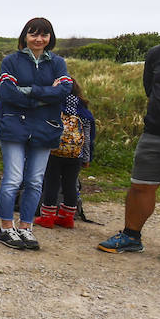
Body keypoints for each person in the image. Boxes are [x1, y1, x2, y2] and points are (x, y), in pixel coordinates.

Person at [98, 0, 160, 266]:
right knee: (140, 187)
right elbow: (150, 88)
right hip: (156, 133)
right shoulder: (158, 53)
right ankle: (131, 236)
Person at [0, 18, 74, 251]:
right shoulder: (11, 61)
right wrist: (47, 93)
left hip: (45, 126)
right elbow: (8, 92)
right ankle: (6, 227)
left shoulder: (58, 63)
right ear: (25, 36)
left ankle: (26, 227)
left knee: (35, 181)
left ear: (50, 38)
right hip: (14, 126)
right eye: (33, 34)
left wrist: (28, 92)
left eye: (44, 34)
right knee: (12, 179)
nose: (39, 39)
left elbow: (65, 90)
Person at [34, 81, 97, 230]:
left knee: (51, 183)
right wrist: (86, 158)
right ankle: (67, 218)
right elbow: (88, 138)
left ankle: (47, 217)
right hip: (75, 155)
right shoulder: (84, 112)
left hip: (54, 153)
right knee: (70, 185)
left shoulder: (54, 107)